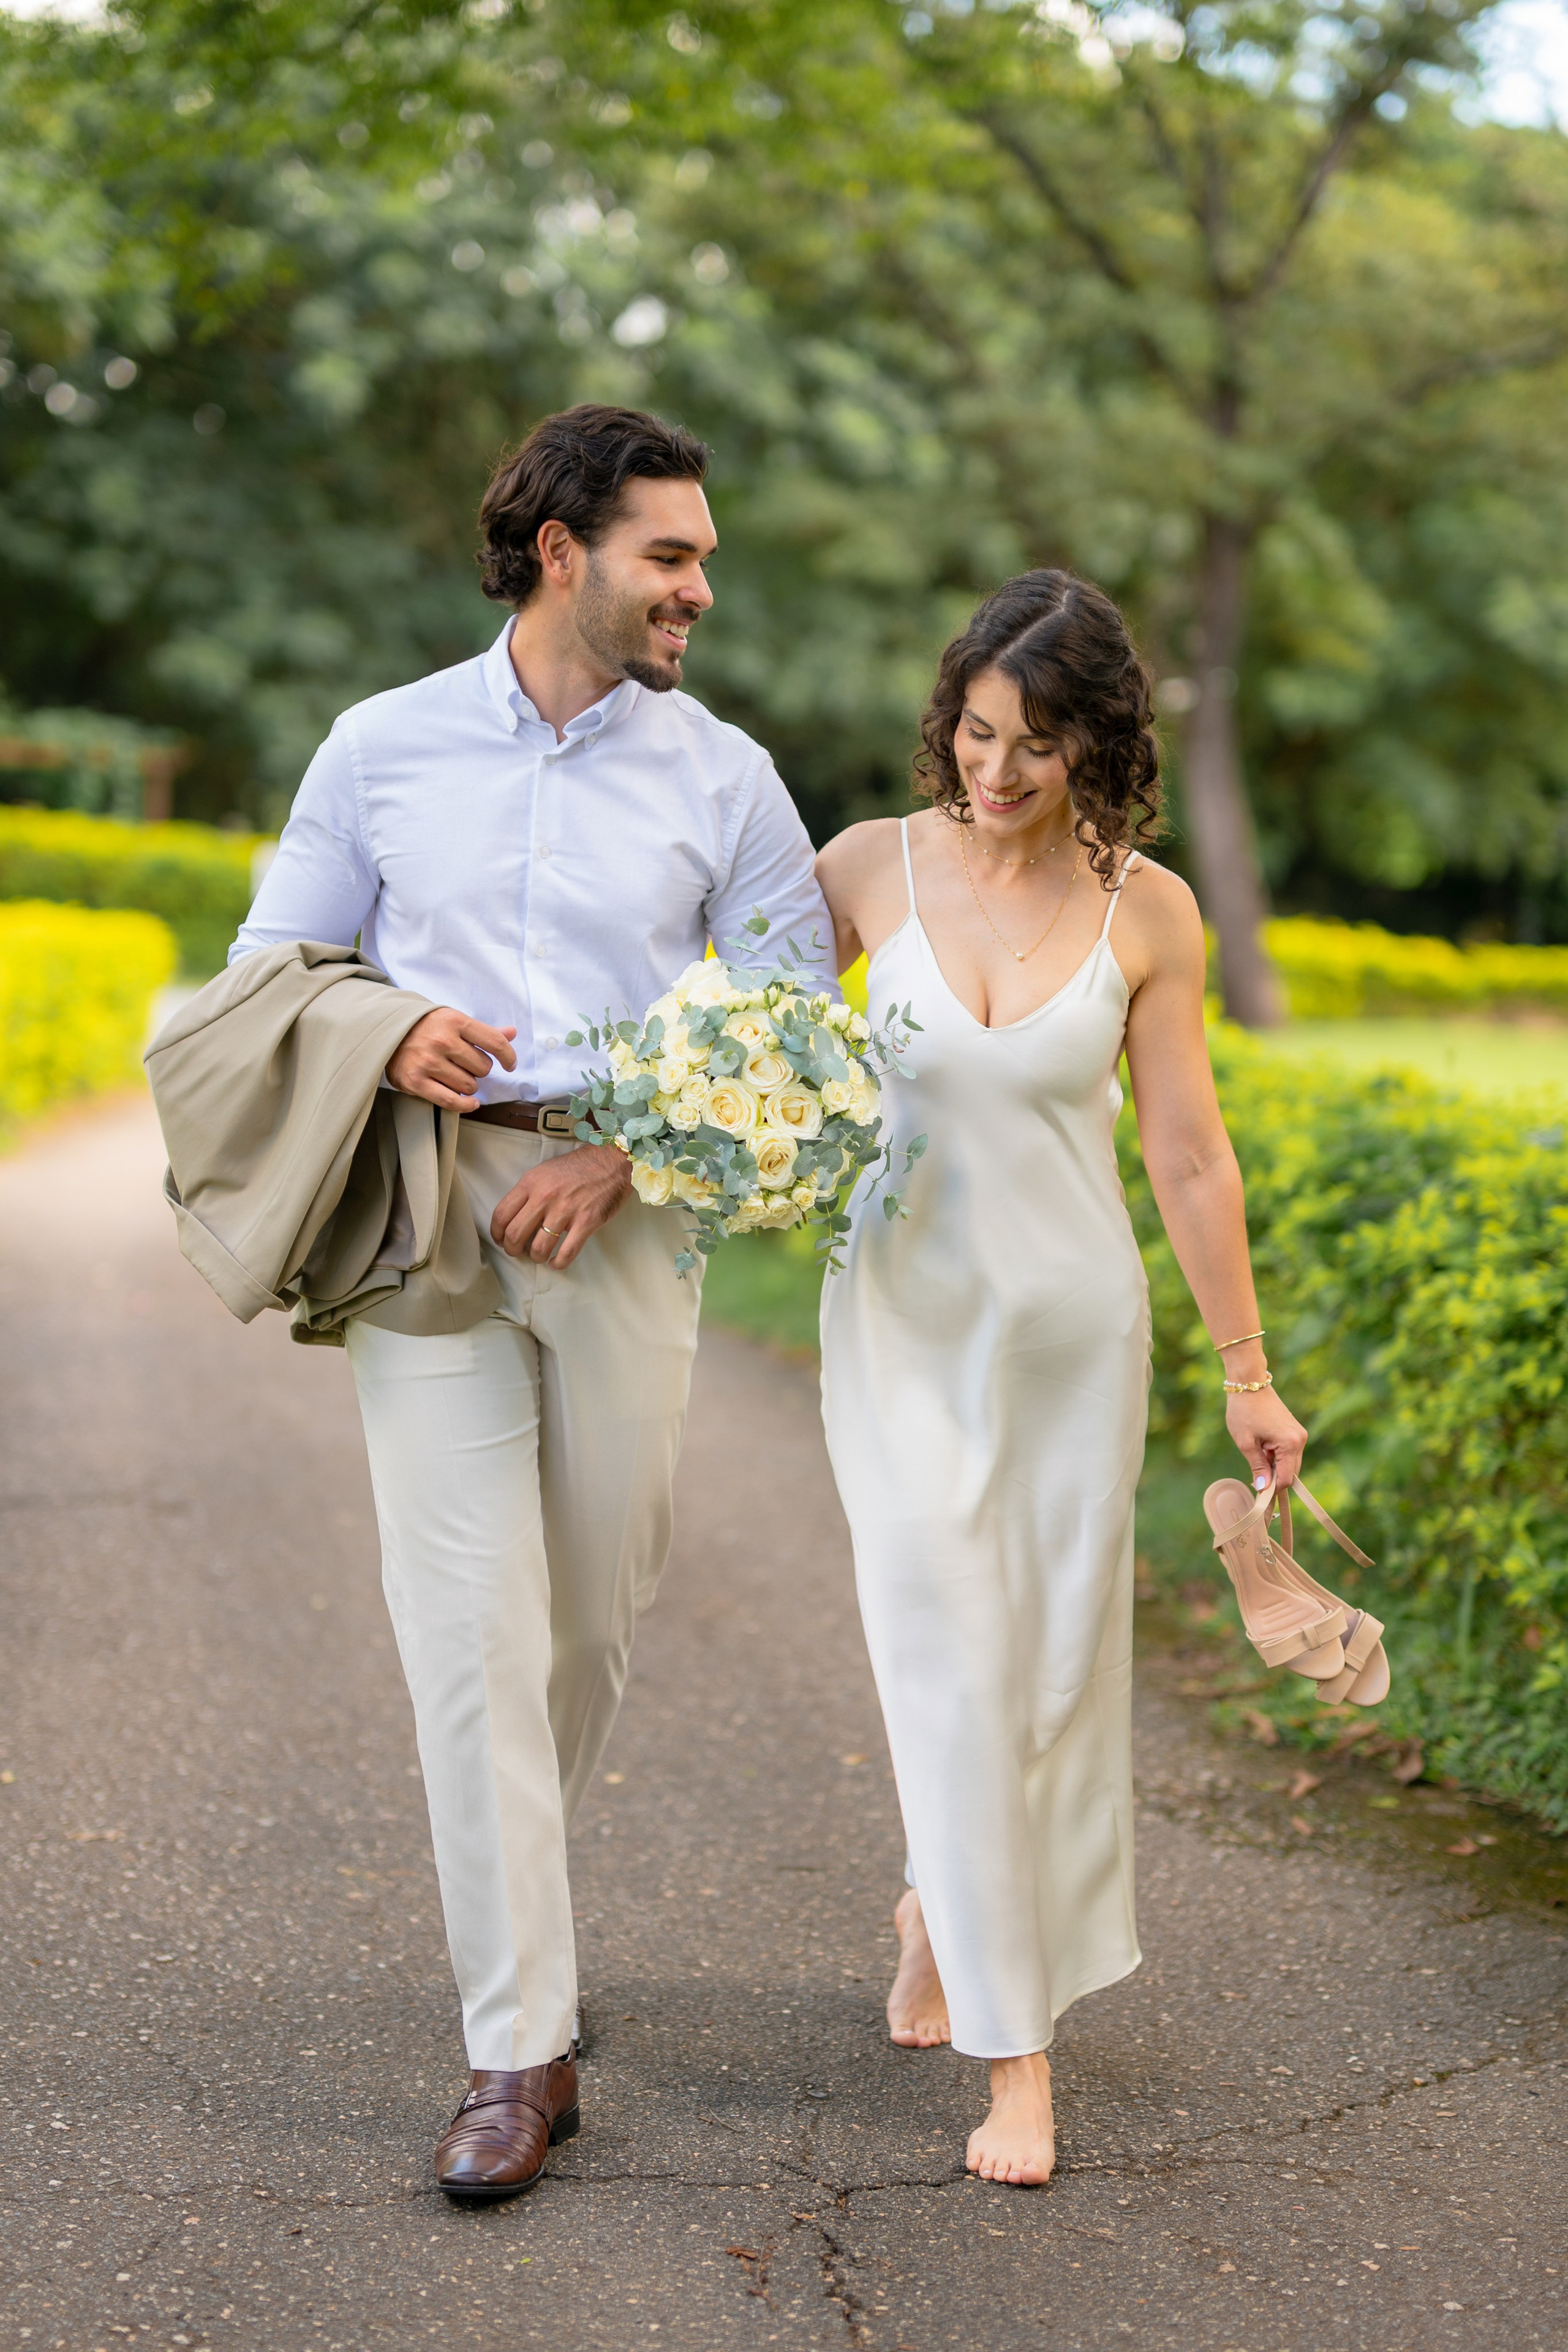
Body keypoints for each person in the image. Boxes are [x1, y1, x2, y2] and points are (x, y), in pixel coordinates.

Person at [232, 403, 832, 2199]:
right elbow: (277, 962)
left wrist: (635, 1157)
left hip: (624, 1216)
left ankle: (528, 1926)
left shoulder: (722, 774)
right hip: (427, 1210)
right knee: (469, 1636)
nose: (700, 589)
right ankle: (518, 2051)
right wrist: (380, 1023)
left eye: (703, 557)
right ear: (561, 548)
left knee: (585, 1624)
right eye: (672, 554)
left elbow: (800, 1021)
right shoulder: (383, 744)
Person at [814, 570, 1308, 2188]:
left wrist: (1249, 1370)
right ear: (947, 717)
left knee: (1041, 1683)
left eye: (1034, 744)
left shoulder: (1147, 909)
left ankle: (934, 1907)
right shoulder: (859, 873)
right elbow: (739, 1051)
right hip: (895, 1331)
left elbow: (1186, 1149)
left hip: (1071, 1341)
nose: (997, 773)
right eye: (976, 731)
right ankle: (1018, 2069)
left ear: (1097, 744)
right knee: (947, 1657)